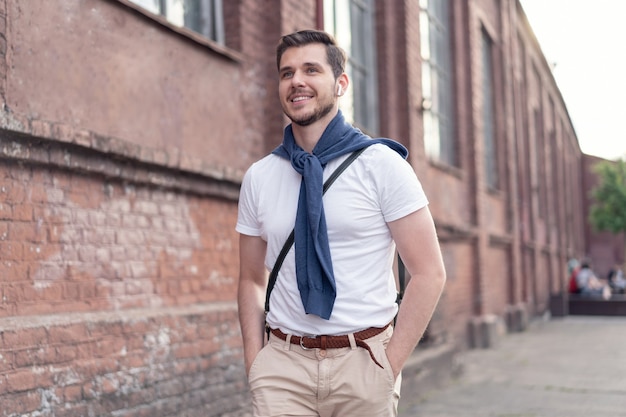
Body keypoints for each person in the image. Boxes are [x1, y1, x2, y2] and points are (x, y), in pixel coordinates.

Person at [236, 29, 446, 417]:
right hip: (282, 367)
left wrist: (389, 365)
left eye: (311, 69)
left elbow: (429, 272)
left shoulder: (382, 166)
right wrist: (256, 363)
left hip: (363, 363)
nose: (297, 80)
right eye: (286, 73)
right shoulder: (260, 176)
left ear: (340, 83)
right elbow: (251, 278)